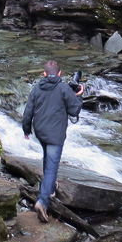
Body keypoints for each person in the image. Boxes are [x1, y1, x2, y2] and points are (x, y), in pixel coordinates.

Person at [21, 59, 83, 223]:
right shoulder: (63, 88)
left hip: (41, 132)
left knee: (47, 159)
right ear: (60, 73)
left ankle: (50, 187)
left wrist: (26, 129)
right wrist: (80, 95)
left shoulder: (36, 89)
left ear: (44, 74)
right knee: (52, 167)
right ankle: (43, 201)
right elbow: (74, 109)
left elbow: (28, 111)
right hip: (55, 135)